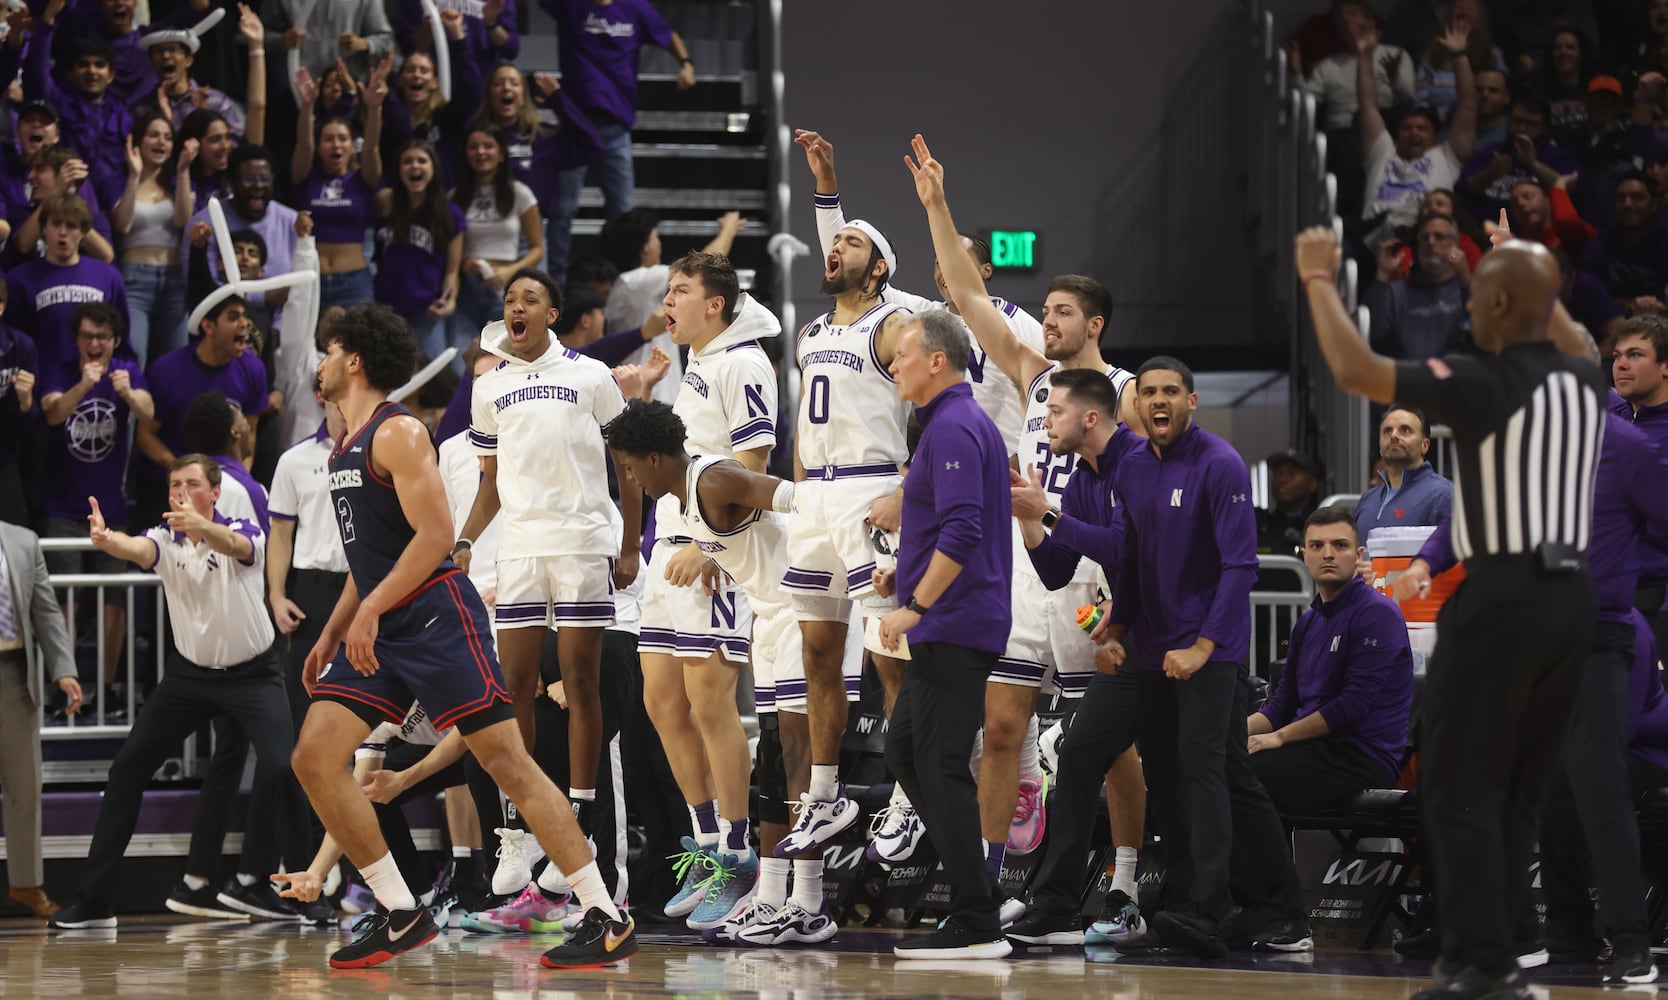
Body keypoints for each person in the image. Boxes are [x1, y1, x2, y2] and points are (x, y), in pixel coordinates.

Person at [1297, 223, 1606, 999]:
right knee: (1520, 793)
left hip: (1501, 598)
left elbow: (1356, 365)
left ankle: (1486, 966)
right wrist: (1526, 263)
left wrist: (1317, 280)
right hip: (1574, 607)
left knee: (1457, 787)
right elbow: (1564, 323)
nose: (1468, 305)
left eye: (1477, 293)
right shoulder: (1584, 377)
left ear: (1500, 303)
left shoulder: (1481, 378)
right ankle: (1490, 960)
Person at [284, 302, 634, 970]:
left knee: (508, 763)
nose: (319, 364)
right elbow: (370, 562)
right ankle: (400, 911)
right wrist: (333, 631)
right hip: (381, 626)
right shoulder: (342, 446)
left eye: (328, 351)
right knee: (314, 755)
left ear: (353, 360)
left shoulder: (399, 433)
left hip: (438, 618)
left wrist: (367, 612)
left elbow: (437, 539)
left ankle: (604, 913)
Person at [905, 133, 1146, 911]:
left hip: (1089, 574)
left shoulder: (1129, 389)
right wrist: (938, 207)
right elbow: (970, 299)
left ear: (1096, 325)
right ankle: (985, 881)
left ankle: (1127, 880)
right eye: (1044, 310)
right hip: (1025, 568)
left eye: (1064, 312)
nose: (1048, 322)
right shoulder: (1033, 376)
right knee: (1001, 729)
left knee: (1105, 747)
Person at [1400, 414, 1668, 987]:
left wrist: (1628, 570)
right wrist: (1426, 560)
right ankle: (1526, 937)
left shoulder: (1627, 449)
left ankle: (1630, 942)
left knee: (1597, 785)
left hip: (1597, 635)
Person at [1094, 356, 1312, 959]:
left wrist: (1204, 646)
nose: (1158, 401)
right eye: (1148, 393)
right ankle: (1252, 902)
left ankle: (1209, 907)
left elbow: (1240, 565)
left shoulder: (1220, 462)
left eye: (1171, 391)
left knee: (1204, 769)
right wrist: (1118, 627)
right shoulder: (1132, 467)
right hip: (1152, 651)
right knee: (1170, 773)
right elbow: (1132, 559)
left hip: (1210, 652)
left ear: (1192, 402)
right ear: (1136, 406)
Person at [607, 399, 841, 946]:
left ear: (656, 457)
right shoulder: (685, 497)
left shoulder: (712, 479)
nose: (630, 478)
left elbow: (798, 498)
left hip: (800, 607)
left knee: (794, 755)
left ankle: (798, 894)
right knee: (780, 759)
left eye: (632, 466)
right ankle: (789, 898)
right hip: (770, 614)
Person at [47, 455, 307, 930]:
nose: (180, 492)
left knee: (280, 766)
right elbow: (140, 550)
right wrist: (109, 542)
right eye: (173, 486)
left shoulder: (243, 528)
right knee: (126, 770)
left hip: (254, 674)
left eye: (191, 484)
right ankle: (94, 900)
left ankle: (290, 889)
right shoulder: (165, 539)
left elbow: (236, 545)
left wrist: (203, 527)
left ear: (213, 491)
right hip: (189, 677)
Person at [453, 271, 642, 848]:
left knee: (580, 682)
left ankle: (581, 812)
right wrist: (463, 543)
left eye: (529, 299)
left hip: (584, 542)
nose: (517, 307)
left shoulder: (591, 376)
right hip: (520, 548)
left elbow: (628, 464)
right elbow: (489, 484)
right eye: (510, 300)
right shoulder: (488, 389)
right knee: (512, 684)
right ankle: (518, 827)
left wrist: (631, 542)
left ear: (552, 314)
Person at [771, 167, 914, 866]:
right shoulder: (811, 331)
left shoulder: (897, 326)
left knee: (891, 657)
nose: (836, 247)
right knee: (818, 654)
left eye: (853, 242)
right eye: (836, 240)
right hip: (817, 498)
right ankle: (825, 795)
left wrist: (912, 486)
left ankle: (909, 796)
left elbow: (952, 404)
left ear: (879, 266)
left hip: (872, 490)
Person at [634, 252, 779, 931]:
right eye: (669, 290)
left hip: (715, 555)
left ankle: (740, 853)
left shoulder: (742, 363)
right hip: (669, 547)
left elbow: (753, 470)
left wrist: (710, 544)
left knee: (709, 702)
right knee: (660, 702)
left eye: (682, 291)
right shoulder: (696, 365)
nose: (670, 300)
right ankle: (706, 842)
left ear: (715, 304)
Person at [869, 308, 1013, 960]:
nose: (893, 364)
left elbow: (964, 531)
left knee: (940, 763)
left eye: (902, 354)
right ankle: (976, 884)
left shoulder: (954, 425)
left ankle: (977, 916)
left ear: (936, 360)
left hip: (955, 623)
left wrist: (917, 606)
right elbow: (948, 526)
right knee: (906, 754)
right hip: (949, 620)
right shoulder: (948, 424)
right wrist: (903, 572)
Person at [1002, 367, 1146, 948]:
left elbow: (1126, 547)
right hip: (1128, 632)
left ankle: (1143, 894)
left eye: (1053, 412)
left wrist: (1049, 513)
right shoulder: (1085, 477)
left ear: (1090, 417)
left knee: (1196, 769)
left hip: (1185, 635)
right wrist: (1033, 522)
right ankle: (1058, 903)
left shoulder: (1137, 463)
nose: (1043, 422)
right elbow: (1059, 570)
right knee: (1084, 756)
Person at [1249, 506, 1415, 812]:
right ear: (1304, 556)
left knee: (1244, 774)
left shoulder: (1377, 614)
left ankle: (1265, 862)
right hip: (1312, 750)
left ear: (1358, 554)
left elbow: (1351, 705)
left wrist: (1279, 737)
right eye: (1317, 546)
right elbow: (1281, 705)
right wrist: (1225, 734)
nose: (1328, 554)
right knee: (1215, 760)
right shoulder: (1308, 622)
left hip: (1360, 755)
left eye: (1340, 545)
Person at [39, 303, 152, 712]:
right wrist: (83, 387)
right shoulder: (61, 368)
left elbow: (149, 411)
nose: (94, 344)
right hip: (63, 506)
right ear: (77, 339)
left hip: (113, 507)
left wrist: (128, 393)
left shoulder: (125, 370)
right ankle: (64, 688)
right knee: (63, 602)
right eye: (87, 336)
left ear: (115, 341)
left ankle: (106, 689)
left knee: (114, 601)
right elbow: (52, 414)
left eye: (102, 337)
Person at [541, 0, 698, 276]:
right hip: (575, 126)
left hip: (615, 126)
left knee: (623, 214)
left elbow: (668, 34)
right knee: (562, 210)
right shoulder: (572, 5)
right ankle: (555, 279)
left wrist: (686, 63)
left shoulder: (635, 7)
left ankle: (622, 278)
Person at [0, 518, 79, 919]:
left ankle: (25, 884)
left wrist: (63, 670)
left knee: (25, 788)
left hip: (14, 674)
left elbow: (46, 611)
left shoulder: (22, 541)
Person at [598, 207, 744, 406]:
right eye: (655, 237)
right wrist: (729, 228)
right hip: (646, 397)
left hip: (653, 395)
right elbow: (702, 269)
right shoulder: (636, 281)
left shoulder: (634, 286)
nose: (660, 244)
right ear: (646, 248)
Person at [269, 393, 350, 738]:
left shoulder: (384, 449)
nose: (347, 406)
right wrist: (276, 594)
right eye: (340, 399)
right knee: (305, 695)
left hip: (365, 585)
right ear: (323, 399)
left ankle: (370, 787)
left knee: (372, 690)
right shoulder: (294, 460)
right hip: (311, 587)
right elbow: (281, 534)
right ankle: (305, 789)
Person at [291, 59, 387, 315]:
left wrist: (374, 108)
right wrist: (307, 106)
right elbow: (303, 144)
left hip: (354, 281)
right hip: (312, 279)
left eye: (342, 139)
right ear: (319, 145)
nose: (336, 145)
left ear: (350, 144)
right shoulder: (305, 176)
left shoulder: (362, 178)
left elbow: (371, 148)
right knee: (310, 353)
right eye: (328, 139)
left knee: (361, 353)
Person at [1358, 21, 1477, 224]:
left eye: (1422, 128)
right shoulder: (1383, 153)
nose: (1414, 133)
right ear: (1397, 135)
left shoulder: (1446, 156)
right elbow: (1367, 105)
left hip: (1424, 234)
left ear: (1435, 135)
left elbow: (1467, 106)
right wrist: (1364, 55)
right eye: (1407, 128)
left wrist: (1459, 55)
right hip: (1375, 235)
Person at [4, 194, 127, 374]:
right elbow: (11, 340)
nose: (63, 232)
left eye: (71, 226)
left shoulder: (108, 277)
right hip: (39, 380)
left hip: (96, 380)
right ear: (44, 229)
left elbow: (123, 340)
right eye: (56, 224)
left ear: (84, 232)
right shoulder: (19, 278)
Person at [111, 113, 193, 366]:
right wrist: (134, 176)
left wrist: (182, 172)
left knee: (175, 362)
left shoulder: (173, 185)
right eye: (154, 135)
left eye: (168, 138)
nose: (161, 142)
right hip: (135, 279)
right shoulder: (120, 181)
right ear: (137, 141)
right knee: (136, 358)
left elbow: (182, 220)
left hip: (174, 279)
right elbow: (122, 224)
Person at [1608, 315, 1668, 657]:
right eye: (1616, 356)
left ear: (1665, 366)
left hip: (1655, 594)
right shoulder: (1612, 424)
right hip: (1608, 595)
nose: (1621, 365)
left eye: (1635, 354)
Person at [375, 140, 465, 361]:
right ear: (398, 169)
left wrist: (449, 301)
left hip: (426, 313)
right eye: (407, 161)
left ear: (433, 168)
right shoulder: (385, 203)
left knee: (432, 382)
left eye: (422, 161)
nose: (415, 166)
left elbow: (452, 272)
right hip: (385, 312)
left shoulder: (450, 213)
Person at [1365, 212, 1473, 361]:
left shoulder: (1467, 290)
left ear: (1455, 244)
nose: (1430, 242)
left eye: (1439, 237)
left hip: (1457, 379)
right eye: (1424, 238)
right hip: (1407, 378)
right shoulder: (1394, 292)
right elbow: (1375, 338)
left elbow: (1485, 336)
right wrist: (1382, 274)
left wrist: (1466, 280)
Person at [1354, 404, 1453, 538]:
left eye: (1405, 430)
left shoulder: (1444, 496)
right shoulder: (1367, 499)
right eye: (1387, 431)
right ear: (1379, 446)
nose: (1394, 436)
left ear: (1425, 445)